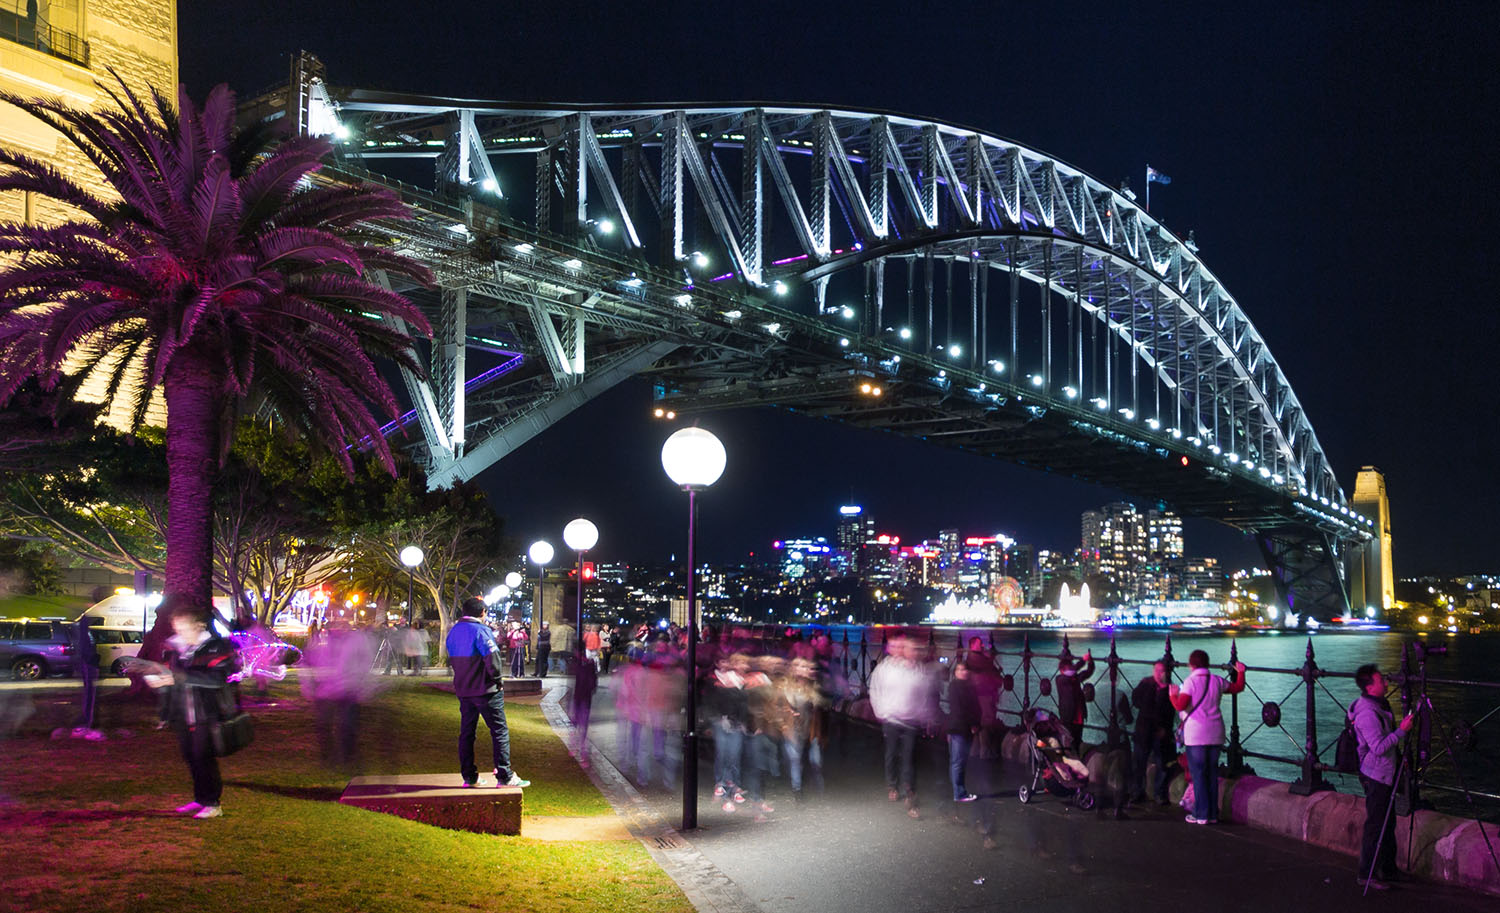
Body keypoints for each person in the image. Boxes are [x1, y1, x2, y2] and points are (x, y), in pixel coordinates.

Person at [147, 600, 239, 819]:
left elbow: (217, 680)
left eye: (185, 628)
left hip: (206, 713)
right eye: (177, 628)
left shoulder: (217, 647)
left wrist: (177, 677)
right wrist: (164, 706)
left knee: (203, 757)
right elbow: (169, 677)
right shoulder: (174, 648)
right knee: (190, 756)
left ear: (199, 626)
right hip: (182, 713)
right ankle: (200, 798)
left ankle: (213, 803)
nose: (180, 633)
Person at [445, 597, 530, 788]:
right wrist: (497, 679)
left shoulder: (454, 632)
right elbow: (492, 658)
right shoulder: (481, 631)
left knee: (467, 733)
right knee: (499, 731)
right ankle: (504, 775)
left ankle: (469, 776)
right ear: (482, 612)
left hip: (464, 689)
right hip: (485, 689)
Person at [1350, 664, 1414, 891]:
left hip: (1385, 772)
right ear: (1369, 687)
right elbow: (1377, 747)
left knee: (1388, 823)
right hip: (1376, 775)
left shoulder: (1378, 704)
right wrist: (1402, 731)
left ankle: (1388, 869)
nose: (1386, 683)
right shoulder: (1368, 713)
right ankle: (1366, 874)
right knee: (1376, 826)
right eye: (1381, 681)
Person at [1169, 648, 1246, 825]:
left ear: (1191, 665)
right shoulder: (1216, 680)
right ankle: (1212, 813)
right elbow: (1237, 687)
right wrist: (1241, 672)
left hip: (1196, 735)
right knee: (1211, 774)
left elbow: (1180, 705)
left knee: (1198, 775)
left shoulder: (1190, 682)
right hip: (1216, 732)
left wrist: (1173, 695)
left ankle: (1200, 814)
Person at [868, 634, 937, 817]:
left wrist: (923, 714)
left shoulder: (917, 670)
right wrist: (881, 712)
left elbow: (923, 694)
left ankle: (909, 792)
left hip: (911, 720)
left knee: (909, 756)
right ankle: (892, 785)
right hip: (891, 718)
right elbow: (875, 690)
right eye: (896, 646)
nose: (901, 650)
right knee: (891, 753)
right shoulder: (885, 669)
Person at [1131, 660, 1176, 805]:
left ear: (1166, 673)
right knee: (1139, 762)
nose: (1157, 673)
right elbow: (1136, 701)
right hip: (1144, 729)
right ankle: (1137, 791)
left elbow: (1171, 712)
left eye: (1161, 671)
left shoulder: (1170, 689)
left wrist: (1166, 729)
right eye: (1156, 670)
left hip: (1160, 730)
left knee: (1161, 763)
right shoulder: (1146, 684)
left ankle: (1159, 793)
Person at [944, 661, 981, 803]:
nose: (962, 672)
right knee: (958, 761)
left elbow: (974, 708)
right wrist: (973, 724)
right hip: (960, 728)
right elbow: (961, 709)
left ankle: (958, 790)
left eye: (964, 669)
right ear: (955, 672)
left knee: (957, 760)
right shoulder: (957, 687)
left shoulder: (967, 687)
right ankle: (959, 793)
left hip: (961, 728)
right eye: (959, 669)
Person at [1054, 647, 1095, 747]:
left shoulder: (1075, 678)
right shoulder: (1060, 679)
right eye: (1069, 667)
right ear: (1063, 670)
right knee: (1069, 742)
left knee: (1077, 741)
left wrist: (1090, 662)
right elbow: (1073, 669)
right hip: (1068, 717)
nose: (1071, 669)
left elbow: (1089, 672)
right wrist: (1083, 660)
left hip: (1079, 717)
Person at [72, 617, 103, 740]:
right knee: (89, 694)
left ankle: (87, 721)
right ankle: (86, 723)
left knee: (90, 694)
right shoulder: (84, 634)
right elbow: (86, 650)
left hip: (89, 664)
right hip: (88, 665)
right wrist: (91, 661)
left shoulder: (85, 633)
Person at [569, 643, 598, 764]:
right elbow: (594, 683)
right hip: (583, 697)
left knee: (579, 722)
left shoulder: (581, 664)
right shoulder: (587, 664)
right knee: (581, 722)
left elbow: (592, 682)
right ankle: (580, 747)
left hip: (581, 697)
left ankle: (580, 748)